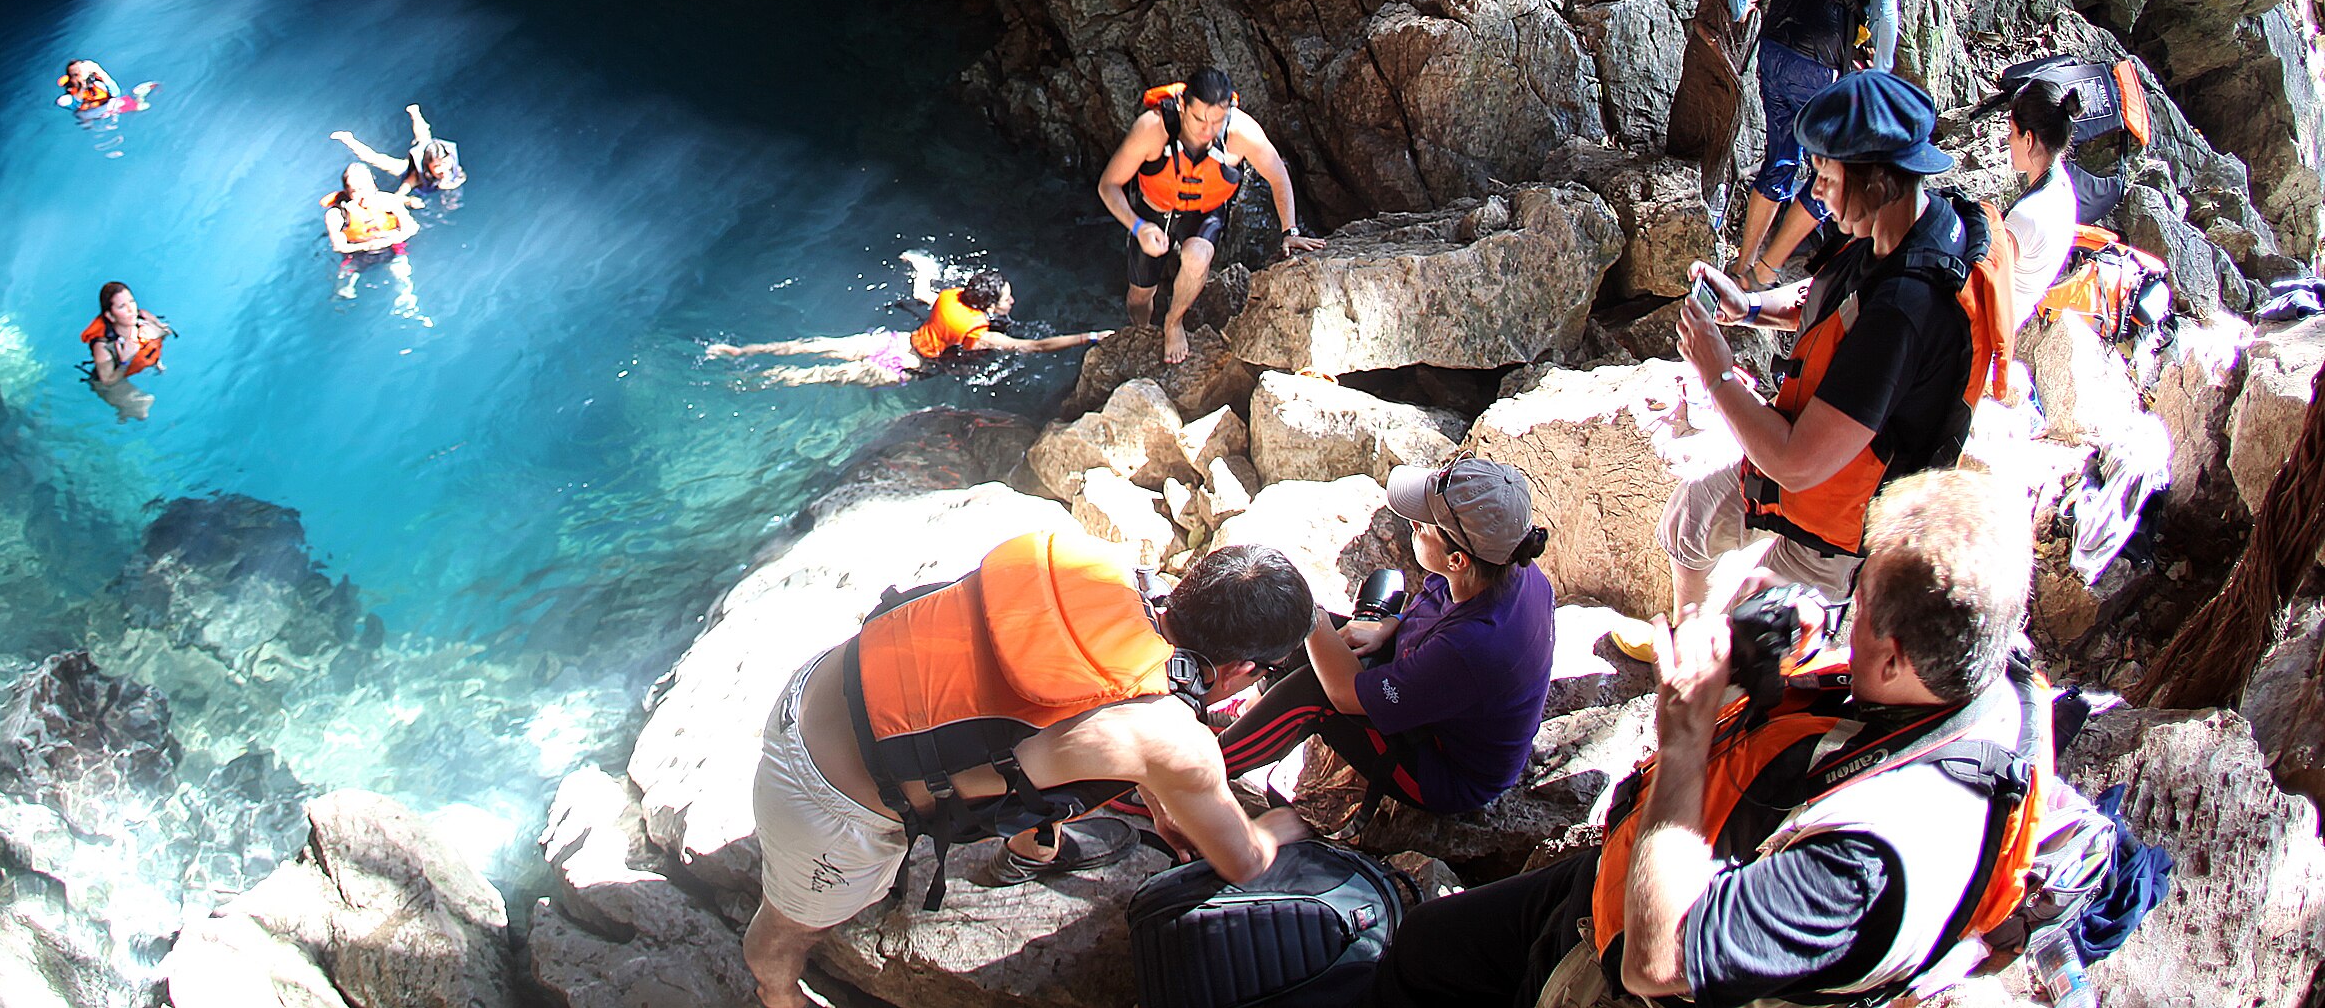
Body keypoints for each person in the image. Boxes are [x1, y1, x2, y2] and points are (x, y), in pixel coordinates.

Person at [1363, 468, 2041, 1008]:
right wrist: (1794, 638)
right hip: (1616, 877)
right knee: (1425, 945)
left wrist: (1685, 735)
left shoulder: (1863, 868)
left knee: (1438, 967)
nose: (1846, 612)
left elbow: (1656, 962)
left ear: (1893, 659)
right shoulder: (1981, 675)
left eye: (1857, 607)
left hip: (1626, 956)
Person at [744, 536, 1321, 1008]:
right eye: (1267, 671)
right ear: (1244, 668)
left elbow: (1068, 715)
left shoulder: (1091, 563)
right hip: (823, 803)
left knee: (1039, 746)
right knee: (790, 927)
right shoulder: (1175, 739)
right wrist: (1283, 825)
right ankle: (776, 991)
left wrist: (1165, 805)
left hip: (816, 684)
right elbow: (1244, 861)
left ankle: (1031, 852)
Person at [1651, 69, 1985, 620]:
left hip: (1841, 523)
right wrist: (1748, 306)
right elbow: (1830, 300)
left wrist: (1718, 374)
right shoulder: (1903, 225)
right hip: (1813, 467)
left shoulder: (1903, 312)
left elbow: (1794, 462)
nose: (1818, 189)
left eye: (1827, 174)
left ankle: (1710, 663)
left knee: (1743, 645)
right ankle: (1688, 636)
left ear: (1877, 182)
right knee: (1692, 517)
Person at [1213, 459, 1554, 818]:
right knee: (1320, 643)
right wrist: (1393, 623)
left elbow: (1345, 696)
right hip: (1441, 694)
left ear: (1457, 559)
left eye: (1422, 525)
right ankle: (1251, 713)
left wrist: (1310, 615)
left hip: (1443, 772)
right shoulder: (1504, 568)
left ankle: (1203, 769)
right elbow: (1438, 605)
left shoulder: (1473, 647)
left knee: (1315, 689)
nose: (1412, 525)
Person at [1723, 0, 1921, 286]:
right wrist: (1879, 77)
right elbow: (1885, 11)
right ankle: (1765, 272)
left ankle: (1740, 267)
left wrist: (1738, 6)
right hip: (1819, 64)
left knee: (1779, 158)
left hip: (1773, 50)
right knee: (1832, 174)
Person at [1095, 67, 1318, 366]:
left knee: (1198, 257)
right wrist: (1139, 226)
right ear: (1183, 106)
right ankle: (1142, 331)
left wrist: (1289, 231)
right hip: (1154, 209)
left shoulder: (1240, 132)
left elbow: (1278, 176)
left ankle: (1174, 321)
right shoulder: (1153, 128)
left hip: (1204, 211)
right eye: (1199, 119)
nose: (1207, 130)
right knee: (1139, 295)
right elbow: (1108, 185)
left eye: (1216, 121)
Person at [708, 260, 1101, 383]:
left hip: (892, 341)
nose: (1012, 301)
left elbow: (923, 291)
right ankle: (751, 378)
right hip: (905, 365)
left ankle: (740, 352)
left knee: (817, 346)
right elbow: (1033, 347)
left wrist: (920, 265)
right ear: (989, 304)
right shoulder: (977, 332)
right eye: (1007, 298)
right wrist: (1087, 336)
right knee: (816, 376)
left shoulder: (950, 297)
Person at [2001, 80, 2082, 333]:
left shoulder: (2026, 217)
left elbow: (1985, 277)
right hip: (2009, 324)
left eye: (2012, 131)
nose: (2008, 139)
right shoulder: (2063, 189)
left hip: (1980, 330)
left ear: (2028, 139)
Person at [81, 282, 172, 383]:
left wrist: (156, 332)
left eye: (131, 301)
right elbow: (107, 382)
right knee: (142, 395)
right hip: (114, 380)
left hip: (148, 364)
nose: (131, 309)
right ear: (110, 316)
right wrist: (125, 361)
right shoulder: (103, 347)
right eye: (122, 306)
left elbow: (167, 332)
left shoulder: (144, 317)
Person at [403, 103, 466, 196]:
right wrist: (409, 200)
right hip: (405, 167)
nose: (443, 169)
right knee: (389, 164)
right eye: (437, 166)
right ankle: (415, 114)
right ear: (428, 167)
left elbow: (463, 177)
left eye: (445, 163)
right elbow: (401, 192)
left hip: (429, 149)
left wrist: (450, 185)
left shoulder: (453, 168)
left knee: (425, 139)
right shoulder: (416, 177)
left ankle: (416, 114)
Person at [57, 58, 157, 114]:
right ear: (70, 78)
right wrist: (82, 86)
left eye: (79, 73)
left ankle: (139, 96)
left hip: (108, 105)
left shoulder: (96, 82)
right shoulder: (68, 96)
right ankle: (137, 97)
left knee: (140, 105)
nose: (78, 78)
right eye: (74, 75)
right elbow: (76, 106)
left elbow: (116, 94)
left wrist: (100, 71)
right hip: (92, 112)